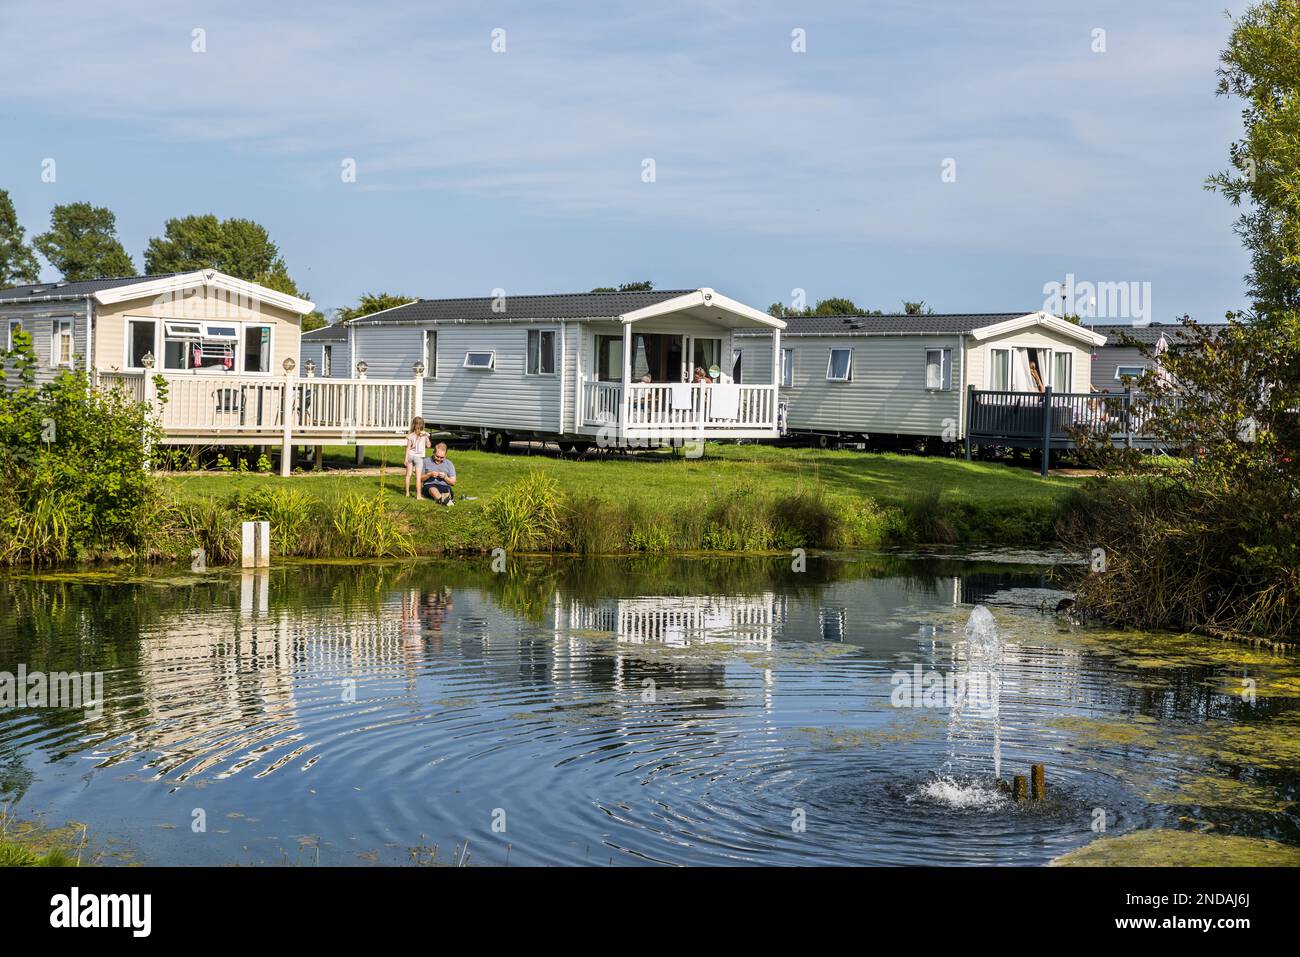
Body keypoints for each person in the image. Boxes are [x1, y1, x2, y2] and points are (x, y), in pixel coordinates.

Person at [420, 440, 457, 504]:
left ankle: (445, 500)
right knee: (432, 488)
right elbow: (419, 478)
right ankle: (442, 500)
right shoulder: (425, 461)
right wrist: (429, 475)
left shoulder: (449, 464)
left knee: (446, 490)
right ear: (433, 452)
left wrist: (445, 477)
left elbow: (453, 482)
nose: (439, 459)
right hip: (430, 485)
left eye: (442, 457)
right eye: (437, 456)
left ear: (445, 455)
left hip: (444, 486)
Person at [404, 417, 431, 497]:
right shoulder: (425, 434)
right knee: (418, 477)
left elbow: (408, 447)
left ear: (413, 425)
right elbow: (429, 445)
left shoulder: (410, 435)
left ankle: (407, 493)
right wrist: (426, 436)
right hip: (419, 457)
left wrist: (405, 458)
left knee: (408, 475)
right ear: (423, 425)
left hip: (410, 456)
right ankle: (418, 495)